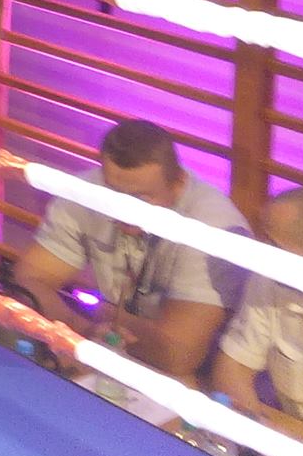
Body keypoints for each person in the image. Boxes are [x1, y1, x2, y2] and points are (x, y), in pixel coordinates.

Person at [14, 117, 251, 384]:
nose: (122, 209)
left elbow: (177, 356)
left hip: (196, 378)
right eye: (114, 193)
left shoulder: (214, 228)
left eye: (140, 198)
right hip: (113, 351)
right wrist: (85, 328)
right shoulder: (86, 192)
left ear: (178, 182)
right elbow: (28, 283)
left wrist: (98, 313)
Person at [214, 187, 303, 443]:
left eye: (274, 245)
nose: (261, 250)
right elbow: (234, 366)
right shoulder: (268, 279)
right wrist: (256, 429)